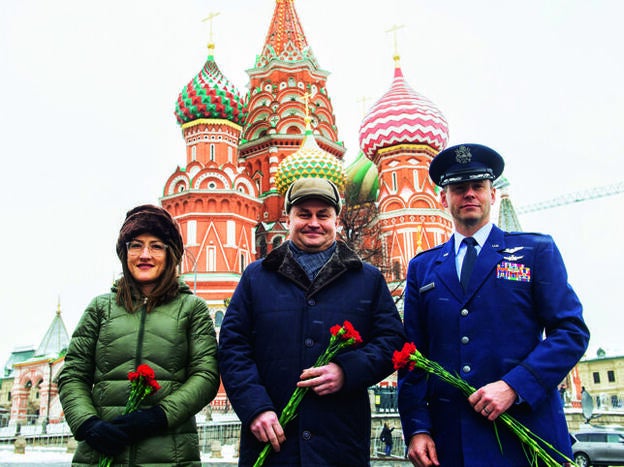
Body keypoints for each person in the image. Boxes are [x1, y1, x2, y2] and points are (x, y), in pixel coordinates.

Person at [397, 144, 590, 467]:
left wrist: (514, 385)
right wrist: (417, 428)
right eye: (459, 188)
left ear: (492, 194)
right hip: (452, 440)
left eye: (478, 186)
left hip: (527, 433)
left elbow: (570, 332)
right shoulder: (424, 267)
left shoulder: (534, 251)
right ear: (443, 198)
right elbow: (413, 355)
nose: (469, 194)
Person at [218, 177, 406, 466]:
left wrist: (346, 371)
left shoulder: (366, 279)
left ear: (336, 220)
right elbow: (233, 347)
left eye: (323, 215)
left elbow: (392, 343)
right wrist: (255, 408)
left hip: (339, 443)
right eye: (304, 214)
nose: (314, 223)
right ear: (289, 217)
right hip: (273, 440)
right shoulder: (257, 277)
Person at [58, 204, 220, 466]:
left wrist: (159, 416)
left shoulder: (191, 309)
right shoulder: (101, 307)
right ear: (124, 253)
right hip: (101, 451)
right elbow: (73, 374)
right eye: (135, 245)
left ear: (170, 254)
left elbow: (206, 376)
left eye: (156, 246)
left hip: (171, 454)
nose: (145, 255)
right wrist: (88, 423)